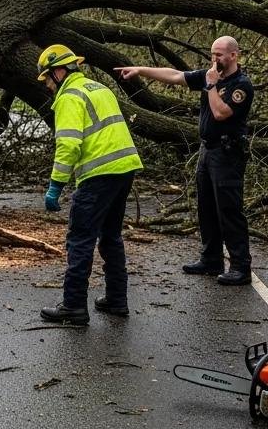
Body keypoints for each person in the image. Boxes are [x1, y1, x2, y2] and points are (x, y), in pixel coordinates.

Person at [115, 36, 254, 286]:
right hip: (207, 150)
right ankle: (211, 259)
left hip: (228, 152)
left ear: (234, 55)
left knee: (229, 209)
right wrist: (140, 70)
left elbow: (222, 113)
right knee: (206, 207)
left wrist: (211, 87)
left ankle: (241, 267)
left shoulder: (240, 84)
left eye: (220, 54)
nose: (215, 59)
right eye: (212, 54)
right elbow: (176, 75)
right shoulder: (211, 75)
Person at [36, 44, 143, 325]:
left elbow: (69, 144)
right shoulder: (99, 88)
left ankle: (73, 307)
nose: (48, 85)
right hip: (124, 168)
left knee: (80, 238)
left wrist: (55, 185)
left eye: (48, 78)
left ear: (59, 71)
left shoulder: (69, 96)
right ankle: (117, 300)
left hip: (98, 174)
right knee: (111, 236)